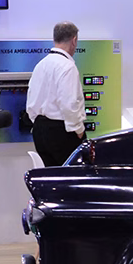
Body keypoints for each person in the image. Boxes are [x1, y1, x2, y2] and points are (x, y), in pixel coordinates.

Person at [25, 21, 86, 166]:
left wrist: (38, 123)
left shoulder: (41, 64)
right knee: (72, 178)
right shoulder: (67, 67)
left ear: (55, 39)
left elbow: (31, 98)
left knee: (51, 175)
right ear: (74, 40)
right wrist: (78, 130)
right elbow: (69, 104)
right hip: (62, 132)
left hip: (40, 130)